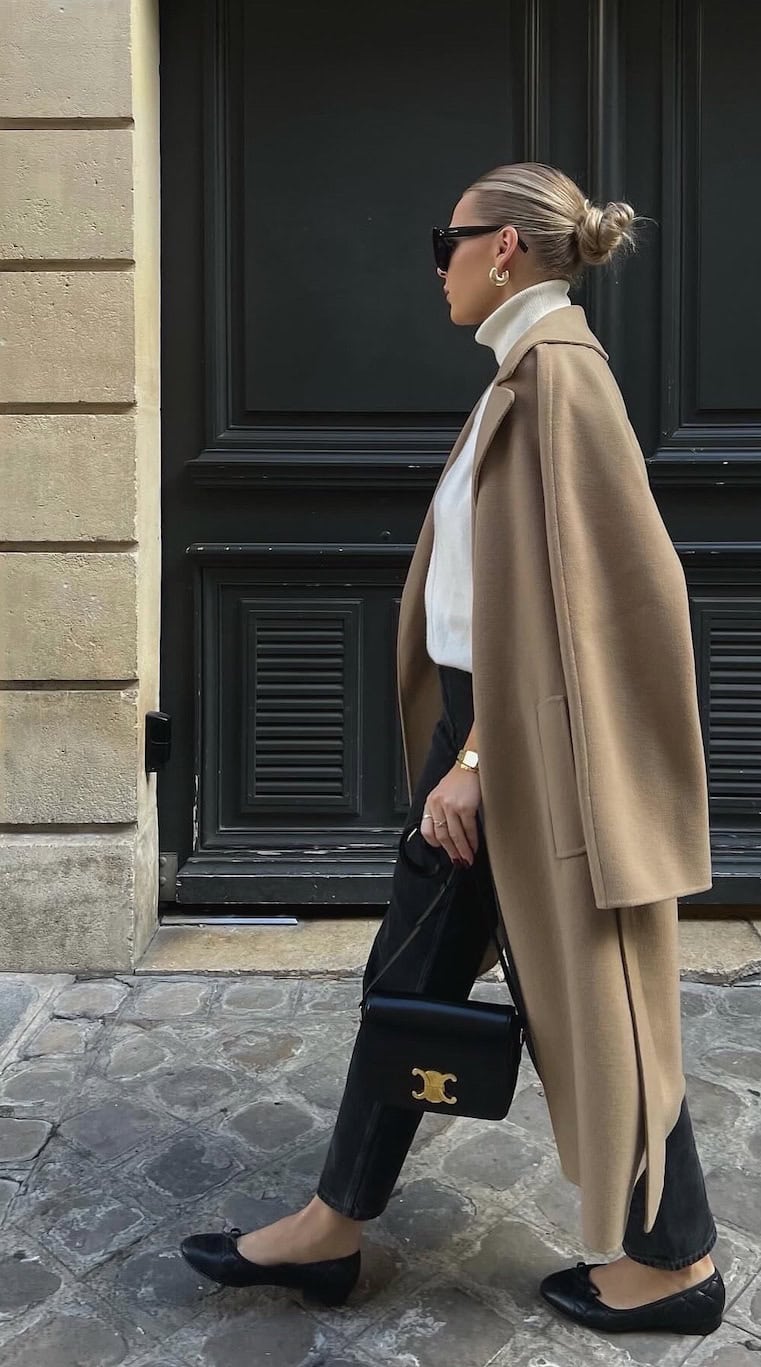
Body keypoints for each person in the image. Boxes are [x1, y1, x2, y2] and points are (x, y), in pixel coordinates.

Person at [180, 162, 723, 1337]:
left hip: (511, 745)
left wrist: (478, 759)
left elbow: (607, 597)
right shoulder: (520, 377)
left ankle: (667, 1265)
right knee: (472, 976)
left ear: (505, 251)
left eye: (449, 237)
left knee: (587, 987)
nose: (436, 260)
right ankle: (345, 1223)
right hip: (492, 733)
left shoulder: (559, 384)